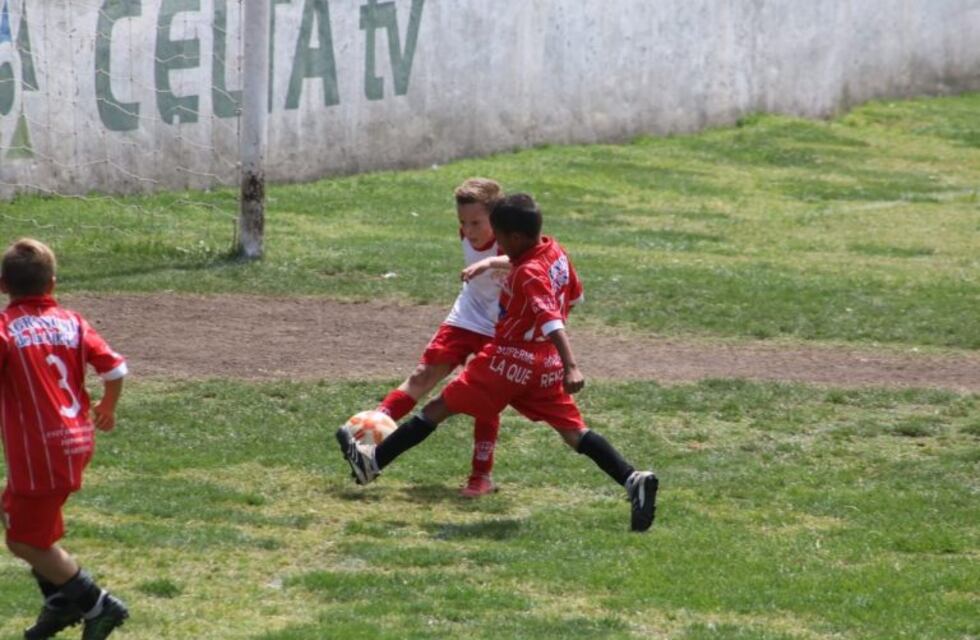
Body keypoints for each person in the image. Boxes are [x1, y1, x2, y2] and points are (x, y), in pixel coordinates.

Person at [338, 194, 659, 531]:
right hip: (542, 363)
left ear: (515, 238)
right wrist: (544, 345)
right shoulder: (555, 252)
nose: (498, 246)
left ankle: (371, 463)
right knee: (574, 433)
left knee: (437, 408)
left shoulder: (528, 273)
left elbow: (551, 320)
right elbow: (575, 298)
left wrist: (571, 364)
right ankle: (631, 478)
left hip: (508, 358)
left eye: (501, 239)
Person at [0, 239, 130, 639]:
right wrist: (107, 407)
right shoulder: (73, 321)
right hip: (76, 440)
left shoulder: (6, 330)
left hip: (39, 450)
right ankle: (59, 601)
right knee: (18, 515)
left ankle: (97, 604)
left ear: (4, 285)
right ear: (53, 283)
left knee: (23, 540)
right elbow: (116, 370)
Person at [375, 178, 510, 497]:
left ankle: (481, 476)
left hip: (501, 324)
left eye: (477, 222)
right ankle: (371, 430)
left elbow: (530, 258)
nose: (469, 229)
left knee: (483, 396)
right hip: (468, 313)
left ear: (497, 218)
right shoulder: (468, 232)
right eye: (463, 222)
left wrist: (491, 261)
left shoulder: (509, 239)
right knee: (424, 373)